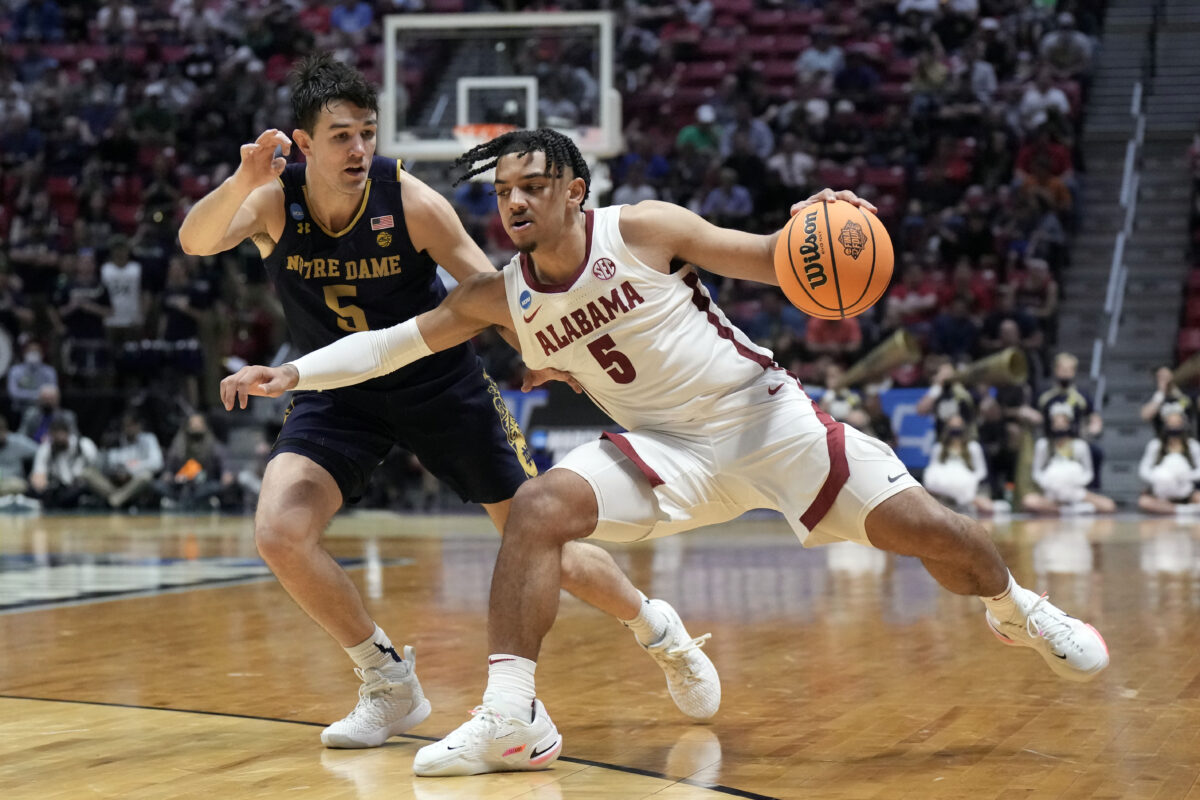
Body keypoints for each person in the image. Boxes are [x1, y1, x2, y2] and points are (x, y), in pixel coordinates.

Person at [221, 129, 1110, 777]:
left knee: (938, 533)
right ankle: (510, 718)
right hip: (666, 452)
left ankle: (1017, 607)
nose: (516, 203)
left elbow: (768, 259)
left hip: (769, 424)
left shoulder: (643, 230)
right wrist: (289, 371)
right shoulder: (504, 296)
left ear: (575, 189)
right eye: (505, 193)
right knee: (536, 510)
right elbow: (389, 344)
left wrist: (813, 236)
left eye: (534, 186)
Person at [180, 56, 714, 749]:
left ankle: (657, 628)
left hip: (441, 387)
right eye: (341, 136)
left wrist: (553, 354)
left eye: (367, 133)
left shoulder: (407, 201)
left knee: (538, 535)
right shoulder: (272, 199)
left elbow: (490, 288)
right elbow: (194, 239)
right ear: (304, 145)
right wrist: (243, 178)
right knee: (279, 533)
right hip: (337, 392)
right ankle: (388, 681)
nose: (360, 149)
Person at [1022, 411, 1116, 515]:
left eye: (1063, 421)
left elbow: (1088, 473)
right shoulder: (1043, 444)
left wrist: (1074, 485)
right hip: (1052, 492)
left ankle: (1071, 508)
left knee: (1108, 505)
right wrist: (1049, 484)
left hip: (1075, 491)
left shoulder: (1080, 445)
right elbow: (1037, 472)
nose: (1059, 425)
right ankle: (1066, 511)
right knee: (1029, 501)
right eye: (1056, 422)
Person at [922, 414, 995, 515]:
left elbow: (981, 472)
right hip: (944, 494)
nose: (955, 432)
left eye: (958, 429)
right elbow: (931, 471)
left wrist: (968, 482)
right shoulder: (939, 448)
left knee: (986, 508)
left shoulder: (973, 447)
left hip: (969, 491)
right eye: (952, 429)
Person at [1136, 412, 1200, 515]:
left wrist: (1186, 476)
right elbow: (1143, 470)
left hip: (1185, 491)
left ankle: (1177, 508)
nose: (1174, 428)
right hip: (1162, 493)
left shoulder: (1192, 445)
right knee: (1144, 502)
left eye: (1177, 424)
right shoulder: (1156, 445)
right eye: (1171, 424)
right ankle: (1182, 510)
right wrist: (1159, 477)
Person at [1141, 366, 1196, 437]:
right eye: (1161, 377)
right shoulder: (1154, 398)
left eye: (1167, 376)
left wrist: (1175, 391)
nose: (1165, 380)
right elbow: (1145, 416)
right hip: (1163, 441)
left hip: (1185, 439)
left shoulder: (1185, 393)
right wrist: (1161, 393)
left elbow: (1191, 404)